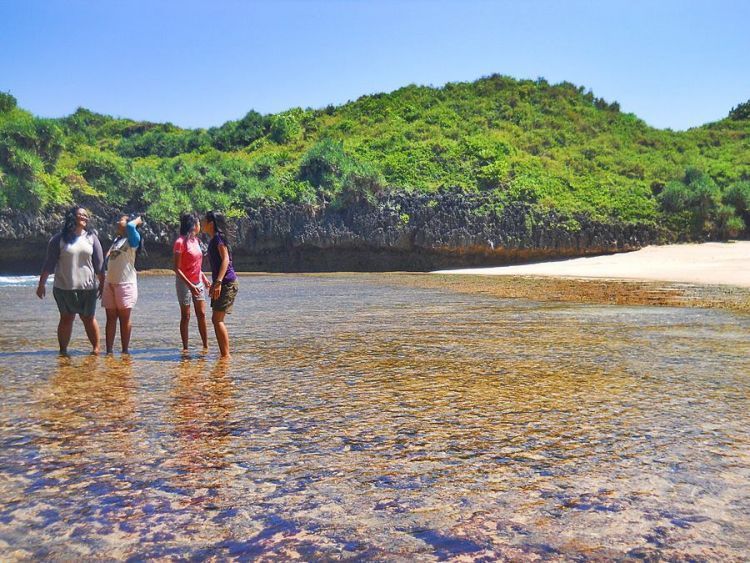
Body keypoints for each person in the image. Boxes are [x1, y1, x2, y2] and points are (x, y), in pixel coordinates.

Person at [36, 206, 104, 355]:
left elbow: (99, 265)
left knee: (88, 318)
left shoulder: (92, 238)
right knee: (66, 318)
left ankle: (96, 349)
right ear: (72, 217)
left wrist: (103, 284)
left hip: (88, 288)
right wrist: (41, 284)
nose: (85, 218)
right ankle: (63, 351)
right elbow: (49, 263)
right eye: (81, 215)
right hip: (64, 287)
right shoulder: (58, 239)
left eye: (86, 216)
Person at [102, 213, 143, 354]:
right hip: (110, 283)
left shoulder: (133, 239)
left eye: (121, 220)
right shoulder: (117, 240)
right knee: (110, 318)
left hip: (125, 284)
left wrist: (137, 220)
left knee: (124, 319)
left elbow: (131, 226)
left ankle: (125, 351)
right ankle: (109, 351)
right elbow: (106, 260)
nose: (117, 222)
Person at [202, 211, 239, 359]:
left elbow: (225, 260)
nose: (202, 223)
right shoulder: (214, 240)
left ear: (211, 223)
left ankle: (226, 356)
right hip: (223, 282)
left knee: (217, 320)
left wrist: (218, 282)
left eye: (204, 221)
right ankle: (224, 355)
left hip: (226, 282)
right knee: (216, 319)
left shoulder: (218, 239)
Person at [174, 213, 211, 353]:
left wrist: (204, 278)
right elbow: (176, 268)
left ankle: (205, 346)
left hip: (198, 281)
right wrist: (190, 285)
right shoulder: (180, 242)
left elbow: (196, 264)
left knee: (201, 313)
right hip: (184, 283)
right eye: (198, 223)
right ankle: (185, 348)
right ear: (193, 225)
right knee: (186, 315)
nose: (200, 226)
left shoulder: (196, 241)